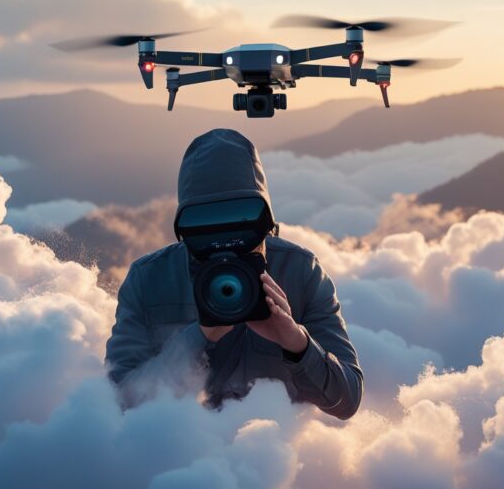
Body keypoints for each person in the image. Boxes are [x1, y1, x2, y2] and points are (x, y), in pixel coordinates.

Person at [104, 128, 363, 419]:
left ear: (267, 225)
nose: (226, 246)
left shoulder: (301, 272)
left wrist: (297, 343)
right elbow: (120, 399)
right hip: (179, 452)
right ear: (184, 234)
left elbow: (347, 400)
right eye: (206, 231)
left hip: (277, 454)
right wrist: (199, 337)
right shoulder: (148, 280)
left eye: (243, 227)